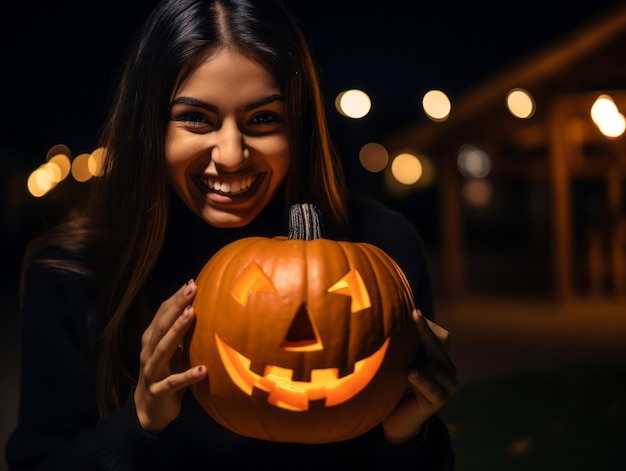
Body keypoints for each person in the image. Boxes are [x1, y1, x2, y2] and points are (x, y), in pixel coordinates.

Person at [5, 0, 457, 469]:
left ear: (298, 125)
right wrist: (138, 423)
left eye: (263, 119)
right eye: (196, 119)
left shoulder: (383, 247)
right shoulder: (74, 273)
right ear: (150, 128)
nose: (232, 155)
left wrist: (407, 434)